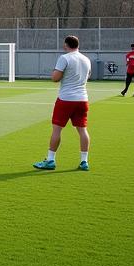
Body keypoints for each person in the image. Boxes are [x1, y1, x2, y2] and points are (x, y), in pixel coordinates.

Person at [34, 35, 92, 171]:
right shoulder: (86, 59)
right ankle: (84, 161)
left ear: (66, 45)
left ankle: (50, 160)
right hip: (82, 98)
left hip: (66, 99)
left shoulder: (64, 58)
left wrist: (55, 72)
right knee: (83, 130)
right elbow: (87, 76)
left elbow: (55, 78)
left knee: (57, 129)